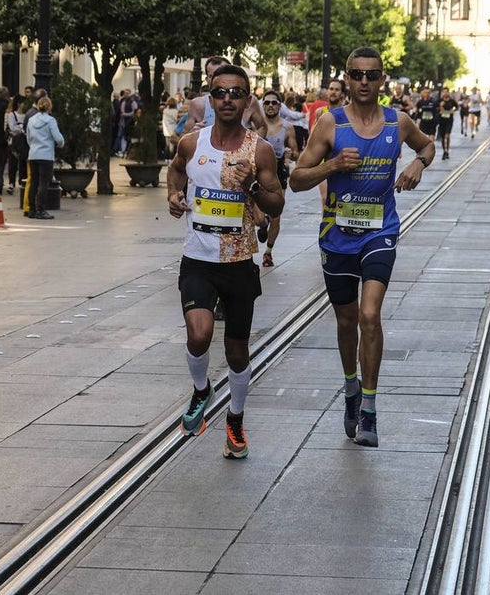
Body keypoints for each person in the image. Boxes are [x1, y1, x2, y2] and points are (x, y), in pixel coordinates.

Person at [289, 46, 435, 447]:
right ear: (347, 79)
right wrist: (333, 166)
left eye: (372, 75)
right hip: (337, 235)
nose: (364, 82)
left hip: (379, 231)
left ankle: (369, 408)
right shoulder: (330, 124)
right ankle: (351, 387)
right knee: (347, 321)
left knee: (370, 314)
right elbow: (297, 179)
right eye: (357, 75)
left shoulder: (397, 122)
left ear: (382, 79)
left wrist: (418, 163)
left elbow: (427, 145)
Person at [167, 64, 285, 459]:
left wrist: (251, 185)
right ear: (210, 98)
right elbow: (175, 173)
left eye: (236, 93)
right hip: (198, 259)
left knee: (236, 351)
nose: (228, 99)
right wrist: (173, 196)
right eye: (220, 93)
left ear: (248, 100)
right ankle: (202, 390)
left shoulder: (259, 150)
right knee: (199, 335)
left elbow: (276, 203)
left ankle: (235, 418)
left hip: (238, 263)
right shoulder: (191, 143)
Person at [257, 90, 297, 268]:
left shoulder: (287, 127)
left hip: (278, 172)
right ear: (262, 105)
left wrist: (290, 153)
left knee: (276, 215)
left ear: (280, 106)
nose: (270, 106)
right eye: (267, 102)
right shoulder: (257, 125)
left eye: (274, 102)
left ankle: (268, 252)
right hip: (258, 171)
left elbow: (296, 152)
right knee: (258, 218)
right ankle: (262, 224)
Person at [25, 95, 65, 220]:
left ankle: (31, 209)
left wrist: (33, 146)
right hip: (46, 155)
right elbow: (58, 138)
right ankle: (41, 210)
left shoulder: (31, 120)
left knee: (34, 182)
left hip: (33, 154)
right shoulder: (50, 120)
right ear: (49, 107)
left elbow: (28, 138)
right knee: (43, 183)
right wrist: (60, 144)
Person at [437, 89, 457, 160]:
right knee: (443, 137)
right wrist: (440, 107)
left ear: (448, 93)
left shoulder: (451, 101)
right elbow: (436, 108)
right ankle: (444, 151)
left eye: (446, 92)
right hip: (442, 120)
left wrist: (453, 110)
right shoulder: (439, 101)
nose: (445, 93)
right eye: (444, 92)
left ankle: (447, 150)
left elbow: (456, 107)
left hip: (449, 120)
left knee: (447, 136)